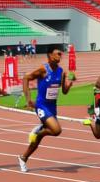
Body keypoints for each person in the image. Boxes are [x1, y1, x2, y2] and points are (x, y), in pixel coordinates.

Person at [18, 44, 75, 173]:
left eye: (61, 54)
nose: (60, 56)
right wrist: (28, 100)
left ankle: (23, 158)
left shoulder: (61, 71)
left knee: (38, 139)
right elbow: (26, 78)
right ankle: (38, 131)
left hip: (52, 107)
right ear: (50, 55)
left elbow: (64, 91)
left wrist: (69, 85)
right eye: (58, 53)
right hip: (41, 105)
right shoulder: (43, 69)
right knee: (56, 130)